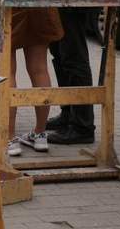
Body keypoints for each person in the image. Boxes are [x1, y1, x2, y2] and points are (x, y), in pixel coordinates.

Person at [8, 6, 62, 156]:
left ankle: (9, 138)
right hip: (38, 3)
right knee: (39, 68)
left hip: (7, 6)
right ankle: (40, 133)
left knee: (7, 70)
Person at [46, 8, 96, 145]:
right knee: (60, 55)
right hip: (59, 3)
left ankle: (82, 126)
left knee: (74, 58)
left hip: (73, 5)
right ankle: (68, 113)